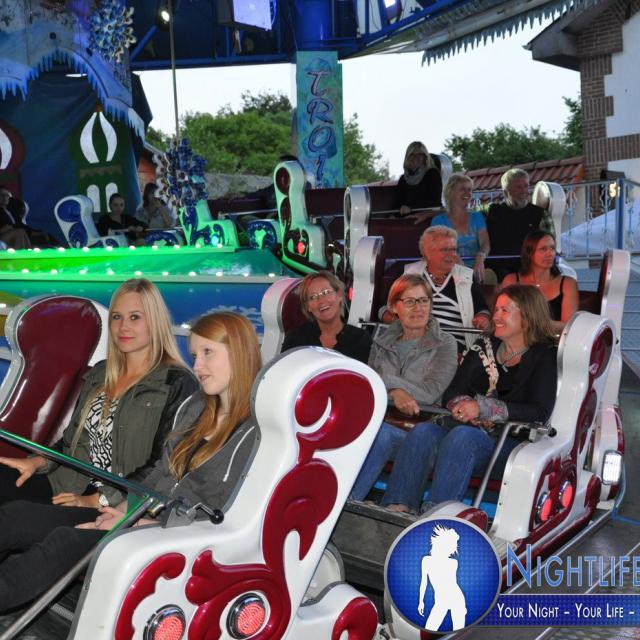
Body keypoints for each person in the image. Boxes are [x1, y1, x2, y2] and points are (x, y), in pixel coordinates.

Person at [0, 311, 262, 610]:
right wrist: (125, 511)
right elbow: (160, 472)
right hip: (143, 519)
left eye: (208, 353)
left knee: (65, 542)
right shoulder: (196, 408)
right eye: (194, 355)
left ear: (239, 351)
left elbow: (228, 516)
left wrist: (141, 523)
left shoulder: (257, 432)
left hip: (179, 540)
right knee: (17, 516)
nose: (197, 366)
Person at [0, 278, 198, 508]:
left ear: (156, 322)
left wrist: (96, 500)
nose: (123, 326)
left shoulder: (177, 382)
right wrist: (37, 462)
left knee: (17, 518)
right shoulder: (100, 373)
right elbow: (70, 441)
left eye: (135, 317)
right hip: (67, 485)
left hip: (117, 503)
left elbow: (163, 466)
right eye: (117, 317)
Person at [420, 284, 558, 508]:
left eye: (505, 310)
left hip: (514, 444)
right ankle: (397, 505)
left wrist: (484, 409)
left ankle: (438, 515)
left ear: (528, 315)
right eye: (496, 310)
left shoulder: (545, 355)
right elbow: (453, 392)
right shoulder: (484, 345)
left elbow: (539, 411)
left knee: (463, 437)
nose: (496, 316)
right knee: (424, 432)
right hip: (472, 433)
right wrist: (463, 407)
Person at [350, 274, 457, 513]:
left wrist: (391, 386)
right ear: (394, 307)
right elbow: (369, 386)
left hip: (424, 429)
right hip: (383, 420)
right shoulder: (382, 342)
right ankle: (341, 500)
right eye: (409, 302)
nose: (418, 308)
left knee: (382, 434)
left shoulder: (445, 343)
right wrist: (394, 391)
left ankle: (351, 501)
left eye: (423, 300)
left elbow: (430, 393)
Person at [380, 226, 491, 353]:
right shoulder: (407, 273)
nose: (452, 255)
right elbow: (383, 309)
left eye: (454, 249)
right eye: (445, 250)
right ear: (427, 253)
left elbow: (482, 309)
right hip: (411, 345)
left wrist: (482, 318)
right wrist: (398, 323)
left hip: (454, 349)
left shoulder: (467, 277)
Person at [281, 270, 372, 364]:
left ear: (339, 295)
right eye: (313, 297)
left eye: (326, 292)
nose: (321, 301)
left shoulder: (361, 339)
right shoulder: (295, 339)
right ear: (308, 307)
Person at [501, 230, 579, 333]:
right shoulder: (511, 280)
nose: (550, 253)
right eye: (543, 249)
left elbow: (569, 326)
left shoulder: (568, 283)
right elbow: (501, 316)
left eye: (552, 248)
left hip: (552, 341)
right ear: (529, 253)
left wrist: (537, 324)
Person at [485, 168, 553, 281]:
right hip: (497, 271)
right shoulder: (491, 211)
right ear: (506, 192)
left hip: (530, 269)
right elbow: (468, 217)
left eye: (526, 186)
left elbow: (550, 245)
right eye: (518, 187)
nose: (524, 191)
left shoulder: (540, 214)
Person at [431, 174, 490, 283]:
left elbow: (485, 243)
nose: (468, 193)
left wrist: (480, 257)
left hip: (476, 272)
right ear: (451, 192)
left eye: (470, 190)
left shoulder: (477, 216)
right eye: (462, 189)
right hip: (448, 272)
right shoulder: (439, 221)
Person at [396, 141, 442, 216]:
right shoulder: (403, 179)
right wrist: (393, 215)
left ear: (425, 157)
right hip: (406, 219)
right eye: (412, 154)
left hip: (427, 217)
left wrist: (410, 207)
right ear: (407, 157)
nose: (415, 157)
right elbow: (397, 203)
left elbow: (435, 202)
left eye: (419, 154)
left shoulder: (432, 174)